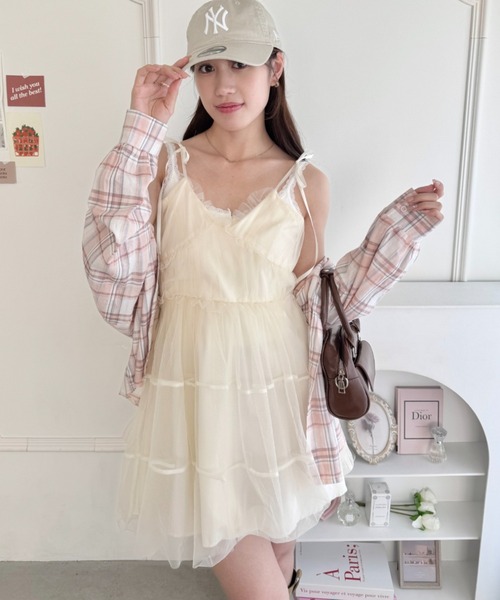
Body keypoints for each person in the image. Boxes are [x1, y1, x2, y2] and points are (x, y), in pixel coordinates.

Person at [82, 1, 444, 598]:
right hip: (195, 392)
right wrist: (141, 125)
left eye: (240, 65)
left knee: (279, 553)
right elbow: (111, 260)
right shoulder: (164, 164)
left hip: (281, 393)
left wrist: (394, 234)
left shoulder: (307, 182)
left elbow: (319, 303)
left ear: (275, 68)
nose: (222, 86)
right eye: (206, 68)